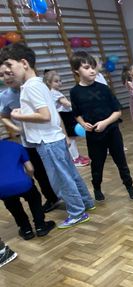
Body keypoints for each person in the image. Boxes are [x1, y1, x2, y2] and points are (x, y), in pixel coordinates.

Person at [1, 43, 94, 228]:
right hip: (53, 138)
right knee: (70, 174)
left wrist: (19, 116)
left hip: (48, 141)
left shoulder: (30, 87)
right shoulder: (39, 83)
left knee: (62, 179)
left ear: (24, 63)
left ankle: (77, 213)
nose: (8, 71)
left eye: (10, 65)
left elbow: (45, 115)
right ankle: (86, 202)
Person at [69, 51, 133, 202]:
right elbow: (76, 113)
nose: (92, 70)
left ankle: (129, 186)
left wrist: (105, 122)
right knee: (97, 165)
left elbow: (117, 111)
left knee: (121, 162)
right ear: (76, 70)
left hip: (112, 132)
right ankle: (97, 188)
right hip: (94, 136)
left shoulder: (104, 88)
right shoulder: (75, 92)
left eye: (93, 67)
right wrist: (83, 124)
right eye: (86, 68)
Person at [0, 64, 61, 214]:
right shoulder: (5, 96)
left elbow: (53, 113)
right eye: (1, 75)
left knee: (59, 169)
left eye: (8, 73)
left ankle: (74, 199)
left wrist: (64, 134)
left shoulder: (34, 87)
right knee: (39, 173)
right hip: (29, 142)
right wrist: (16, 128)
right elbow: (4, 116)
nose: (6, 77)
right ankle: (52, 198)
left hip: (50, 138)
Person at [0, 138, 56, 239]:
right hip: (22, 182)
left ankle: (26, 229)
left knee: (12, 204)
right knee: (34, 198)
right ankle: (40, 226)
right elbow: (30, 168)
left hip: (2, 188)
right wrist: (29, 179)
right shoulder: (16, 146)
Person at [43, 70, 90, 167]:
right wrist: (78, 107)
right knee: (71, 138)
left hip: (63, 116)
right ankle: (75, 158)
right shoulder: (55, 93)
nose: (59, 83)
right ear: (48, 82)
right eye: (56, 81)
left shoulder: (49, 93)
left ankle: (75, 156)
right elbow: (66, 103)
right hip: (65, 117)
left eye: (60, 80)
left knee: (70, 138)